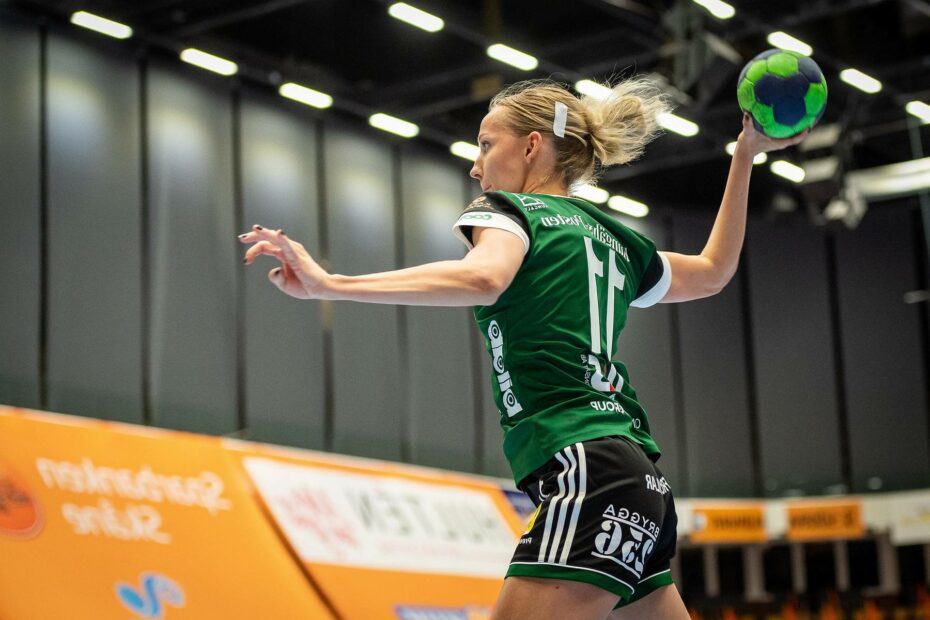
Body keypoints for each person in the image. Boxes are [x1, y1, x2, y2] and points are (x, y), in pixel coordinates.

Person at [239, 78, 807, 620]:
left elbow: (484, 279)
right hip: (639, 479)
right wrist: (744, 153)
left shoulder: (511, 212)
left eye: (486, 143)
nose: (475, 163)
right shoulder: (611, 235)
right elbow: (712, 272)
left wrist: (331, 285)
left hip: (584, 466)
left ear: (532, 145)